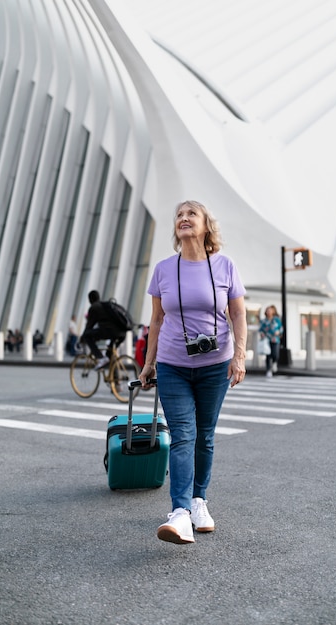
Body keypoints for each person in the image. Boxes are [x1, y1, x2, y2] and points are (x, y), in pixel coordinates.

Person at [139, 200, 247, 545]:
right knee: (183, 434)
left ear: (205, 226)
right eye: (179, 216)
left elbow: (239, 315)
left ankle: (200, 501)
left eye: (191, 214)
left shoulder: (225, 266)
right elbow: (156, 320)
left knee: (206, 434)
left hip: (216, 365)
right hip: (173, 364)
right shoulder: (163, 270)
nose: (184, 219)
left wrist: (240, 356)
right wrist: (149, 362)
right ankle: (180, 512)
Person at [80, 290, 123, 370]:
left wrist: (82, 338)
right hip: (121, 333)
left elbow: (89, 326)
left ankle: (100, 357)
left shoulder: (94, 307)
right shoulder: (106, 306)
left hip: (110, 331)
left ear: (90, 299)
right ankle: (116, 379)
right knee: (109, 354)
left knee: (87, 336)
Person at [259, 305, 283, 377]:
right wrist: (262, 334)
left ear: (273, 311)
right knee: (268, 356)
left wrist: (278, 332)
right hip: (267, 339)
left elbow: (281, 328)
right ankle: (268, 370)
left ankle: (274, 363)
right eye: (267, 310)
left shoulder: (276, 320)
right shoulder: (264, 321)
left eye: (270, 310)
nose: (269, 311)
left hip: (275, 339)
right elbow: (261, 329)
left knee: (275, 354)